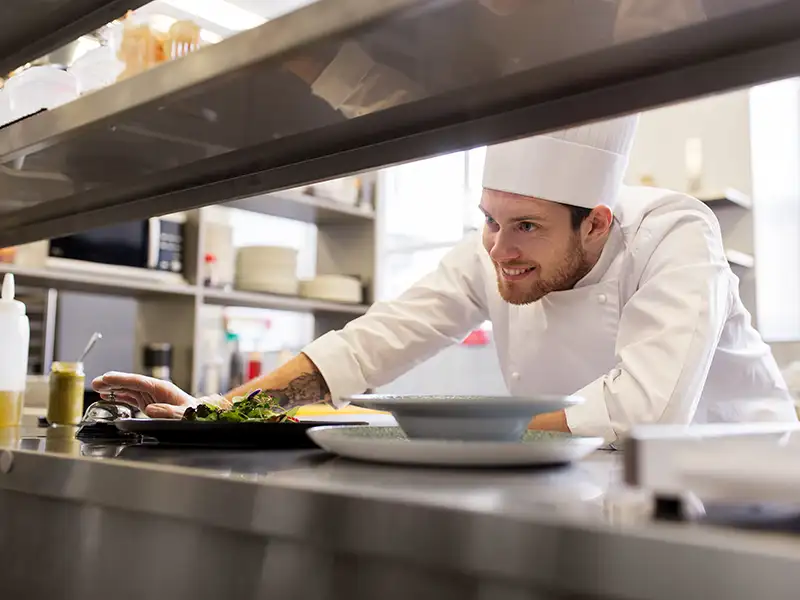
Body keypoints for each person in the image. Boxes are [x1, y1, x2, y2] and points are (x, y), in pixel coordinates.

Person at [95, 114, 798, 444]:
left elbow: (640, 414)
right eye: (490, 220)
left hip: (747, 496)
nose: (500, 249)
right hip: (596, 483)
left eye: (527, 226)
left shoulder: (675, 234)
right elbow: (365, 347)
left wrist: (417, 431)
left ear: (596, 224)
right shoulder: (488, 251)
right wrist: (217, 415)